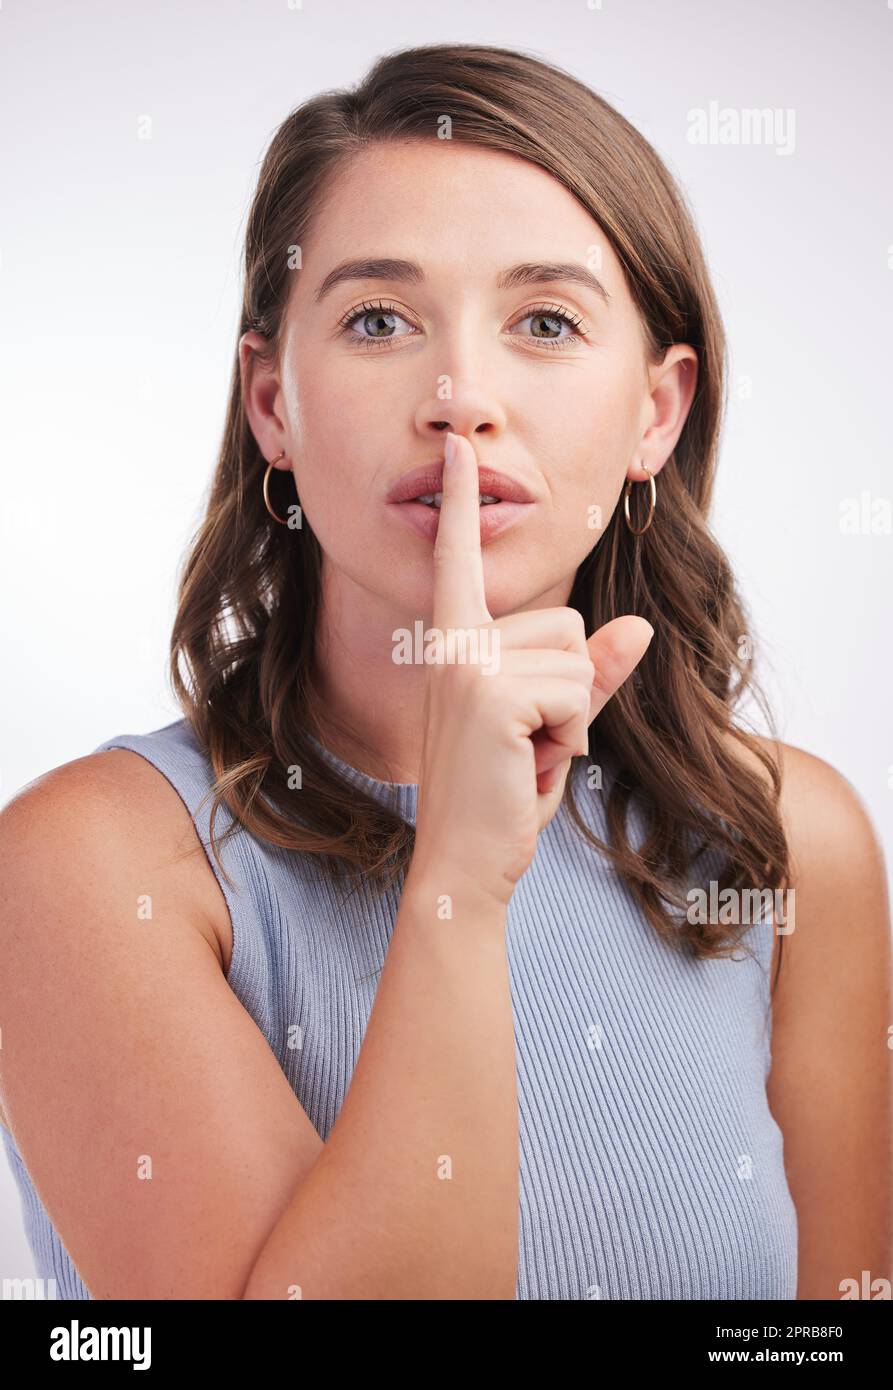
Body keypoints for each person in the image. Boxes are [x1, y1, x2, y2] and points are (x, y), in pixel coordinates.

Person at [0, 43, 889, 1302]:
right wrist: (459, 885)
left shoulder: (790, 841)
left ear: (656, 411)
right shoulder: (94, 864)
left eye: (543, 321)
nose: (460, 397)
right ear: (271, 404)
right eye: (377, 319)